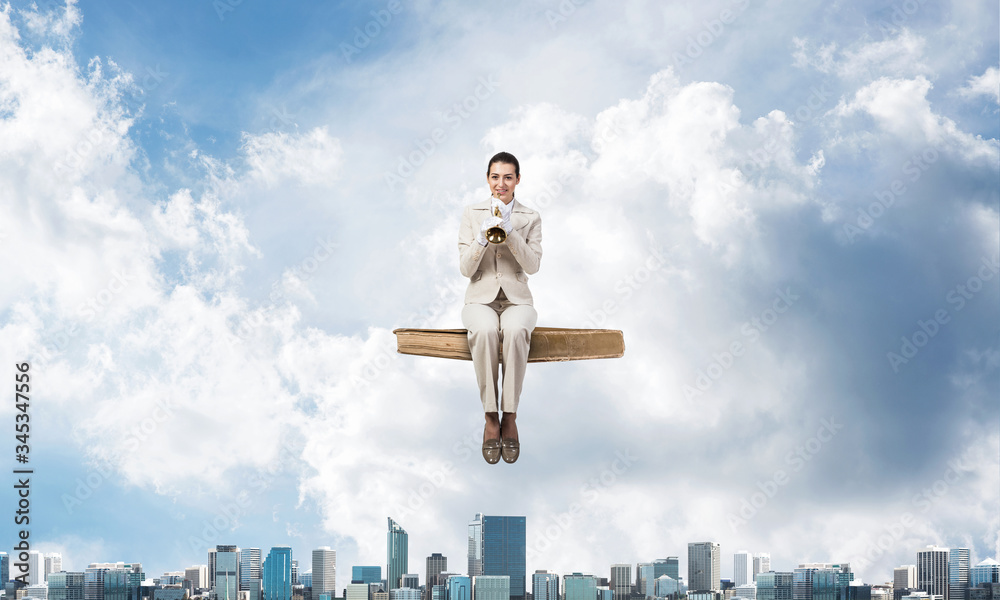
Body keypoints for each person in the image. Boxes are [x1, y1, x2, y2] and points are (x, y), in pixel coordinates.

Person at [457, 151, 542, 464]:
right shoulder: (471, 213)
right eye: (495, 177)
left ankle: (510, 416)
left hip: (518, 299)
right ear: (488, 179)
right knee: (485, 330)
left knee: (517, 330)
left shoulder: (530, 217)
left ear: (517, 179)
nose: (501, 183)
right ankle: (490, 417)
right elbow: (466, 270)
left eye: (508, 177)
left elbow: (532, 266)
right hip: (480, 299)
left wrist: (511, 231)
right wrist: (482, 237)